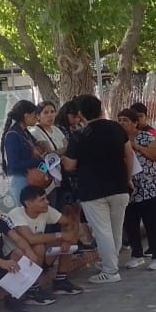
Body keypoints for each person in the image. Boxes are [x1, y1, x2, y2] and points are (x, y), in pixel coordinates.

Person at [62, 94, 133, 284]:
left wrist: (61, 155)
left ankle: (110, 270)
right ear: (100, 109)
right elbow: (129, 154)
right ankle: (111, 263)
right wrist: (128, 178)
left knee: (102, 232)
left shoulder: (79, 135)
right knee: (116, 230)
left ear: (80, 114)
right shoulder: (116, 128)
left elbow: (69, 165)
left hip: (92, 190)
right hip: (119, 186)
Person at [8, 185, 84, 298]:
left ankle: (61, 280)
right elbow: (31, 239)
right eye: (42, 200)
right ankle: (32, 289)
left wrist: (67, 239)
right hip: (19, 259)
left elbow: (69, 223)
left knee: (66, 242)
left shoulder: (46, 210)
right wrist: (61, 235)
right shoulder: (16, 214)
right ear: (28, 203)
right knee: (38, 246)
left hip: (39, 257)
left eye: (46, 198)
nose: (47, 202)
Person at [116, 105, 156, 271]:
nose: (122, 123)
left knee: (152, 223)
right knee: (131, 223)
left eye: (126, 120)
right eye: (120, 120)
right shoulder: (118, 139)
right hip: (130, 187)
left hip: (148, 186)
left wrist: (137, 147)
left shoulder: (146, 136)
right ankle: (136, 254)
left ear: (135, 122)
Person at [1, 99, 47, 202]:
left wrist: (44, 168)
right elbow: (14, 165)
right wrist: (39, 161)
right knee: (25, 210)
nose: (37, 118)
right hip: (22, 180)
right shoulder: (12, 135)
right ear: (26, 116)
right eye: (35, 115)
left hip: (34, 178)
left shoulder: (25, 132)